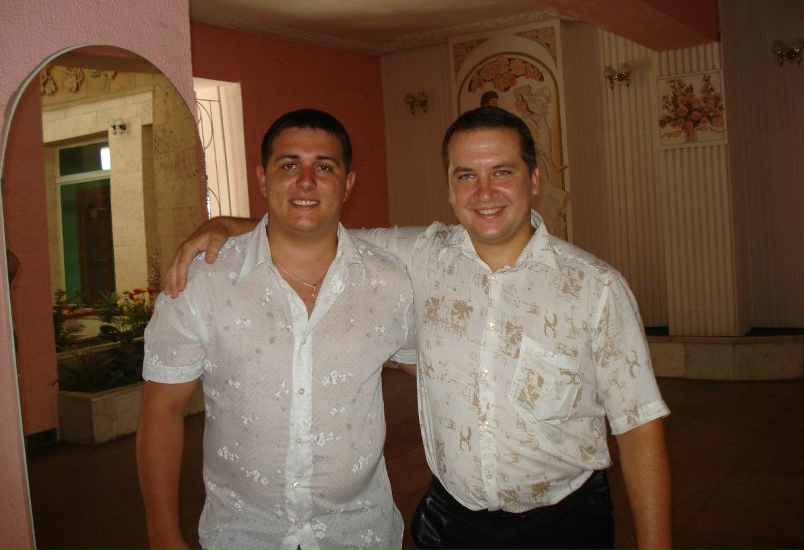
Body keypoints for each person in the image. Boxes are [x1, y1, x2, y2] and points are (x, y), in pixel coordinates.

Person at [165, 107, 672, 549]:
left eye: (502, 172)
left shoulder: (595, 288)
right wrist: (224, 226)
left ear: (533, 178)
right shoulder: (422, 254)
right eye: (466, 175)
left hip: (564, 522)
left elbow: (639, 427)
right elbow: (311, 229)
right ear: (449, 187)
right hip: (453, 522)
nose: (485, 192)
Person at [137, 109, 416, 550]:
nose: (306, 181)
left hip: (359, 532)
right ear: (262, 179)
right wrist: (163, 536)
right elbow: (162, 411)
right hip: (241, 535)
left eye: (324, 167)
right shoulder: (204, 281)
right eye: (288, 165)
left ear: (348, 183)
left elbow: (433, 374)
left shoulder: (389, 280)